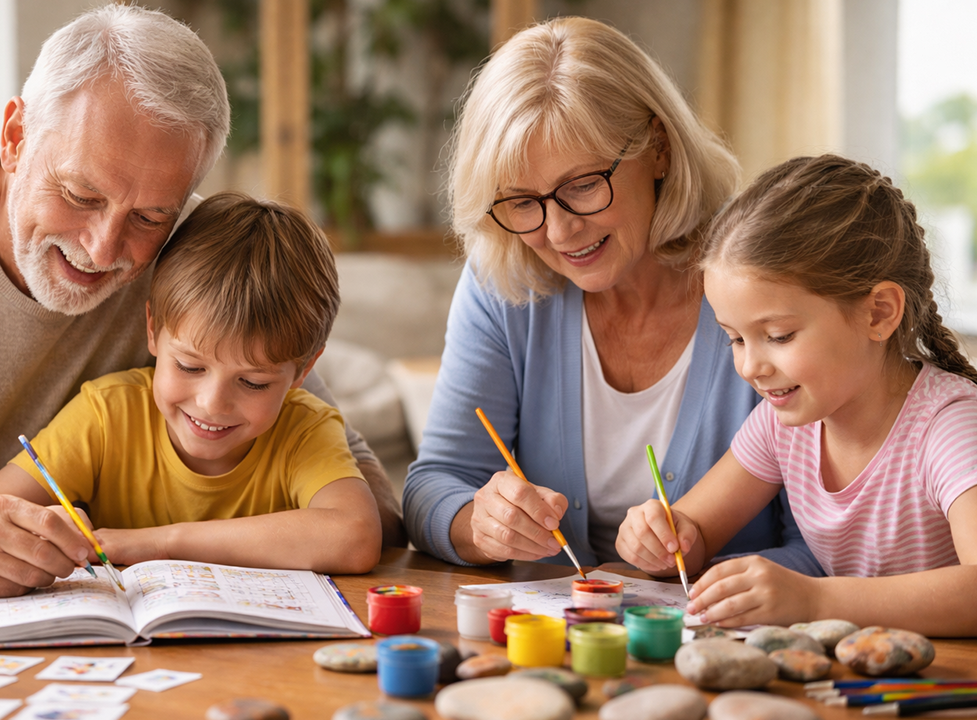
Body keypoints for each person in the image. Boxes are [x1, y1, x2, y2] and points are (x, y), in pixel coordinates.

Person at [0, 4, 400, 599]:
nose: (105, 250)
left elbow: (370, 505)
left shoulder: (190, 259)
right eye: (80, 193)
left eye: (152, 214)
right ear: (16, 136)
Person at [402, 16, 820, 574]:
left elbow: (826, 540)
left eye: (581, 186)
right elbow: (434, 483)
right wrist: (478, 523)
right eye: (522, 201)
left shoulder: (762, 279)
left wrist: (705, 577)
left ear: (659, 149)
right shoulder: (502, 278)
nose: (557, 232)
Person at [617, 155, 977, 635]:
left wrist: (814, 599)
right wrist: (662, 537)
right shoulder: (782, 424)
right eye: (736, 338)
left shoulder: (948, 426)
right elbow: (694, 532)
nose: (750, 367)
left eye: (780, 336)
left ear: (879, 313)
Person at [0, 192, 382, 574]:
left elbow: (356, 536)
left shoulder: (305, 430)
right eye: (190, 367)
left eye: (253, 383)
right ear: (153, 330)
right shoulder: (107, 416)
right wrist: (41, 534)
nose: (212, 404)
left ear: (304, 371)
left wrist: (161, 542)